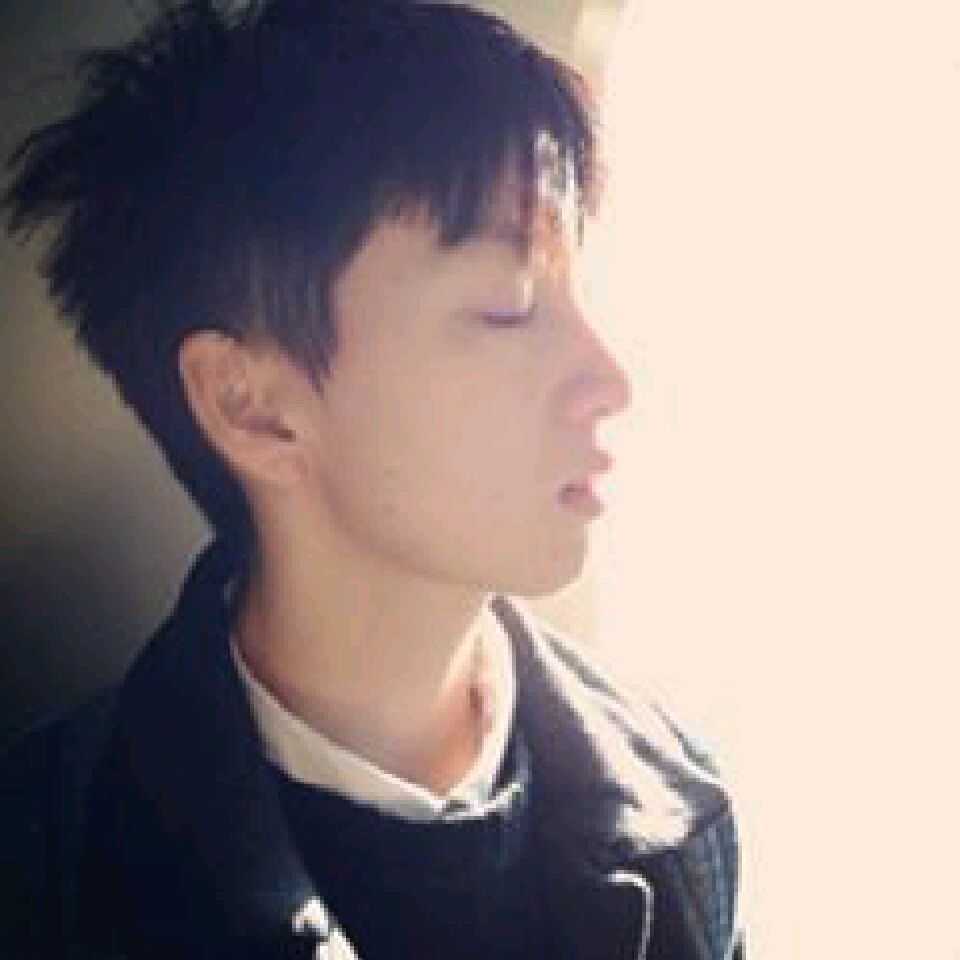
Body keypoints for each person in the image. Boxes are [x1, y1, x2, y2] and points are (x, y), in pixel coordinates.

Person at [0, 1, 745, 957]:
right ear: (250, 405)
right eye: (509, 305)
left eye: (579, 292)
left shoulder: (673, 807)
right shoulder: (42, 874)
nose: (610, 380)